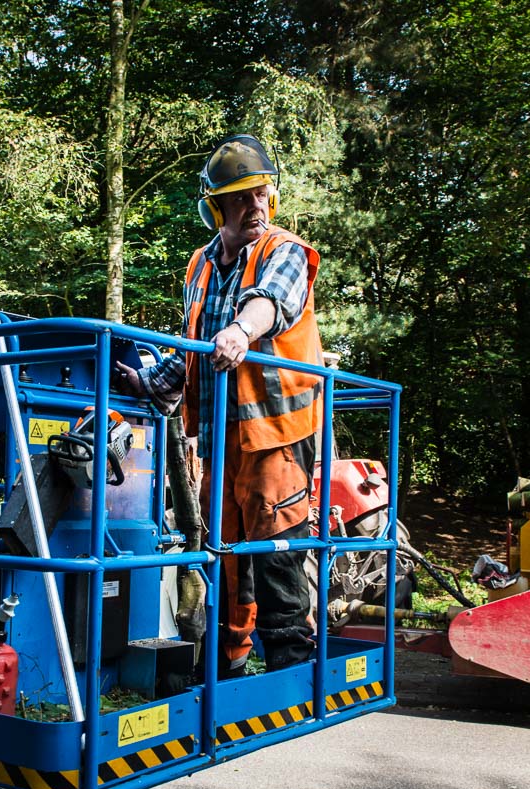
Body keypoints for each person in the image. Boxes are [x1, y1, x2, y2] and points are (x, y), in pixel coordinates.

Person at [114, 134, 323, 677]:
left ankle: (289, 674)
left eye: (261, 194)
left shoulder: (285, 252)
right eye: (241, 197)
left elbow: (269, 303)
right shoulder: (199, 265)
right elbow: (194, 347)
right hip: (218, 441)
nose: (255, 206)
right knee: (226, 558)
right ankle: (228, 670)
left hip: (276, 437)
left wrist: (241, 330)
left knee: (276, 556)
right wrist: (147, 382)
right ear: (217, 207)